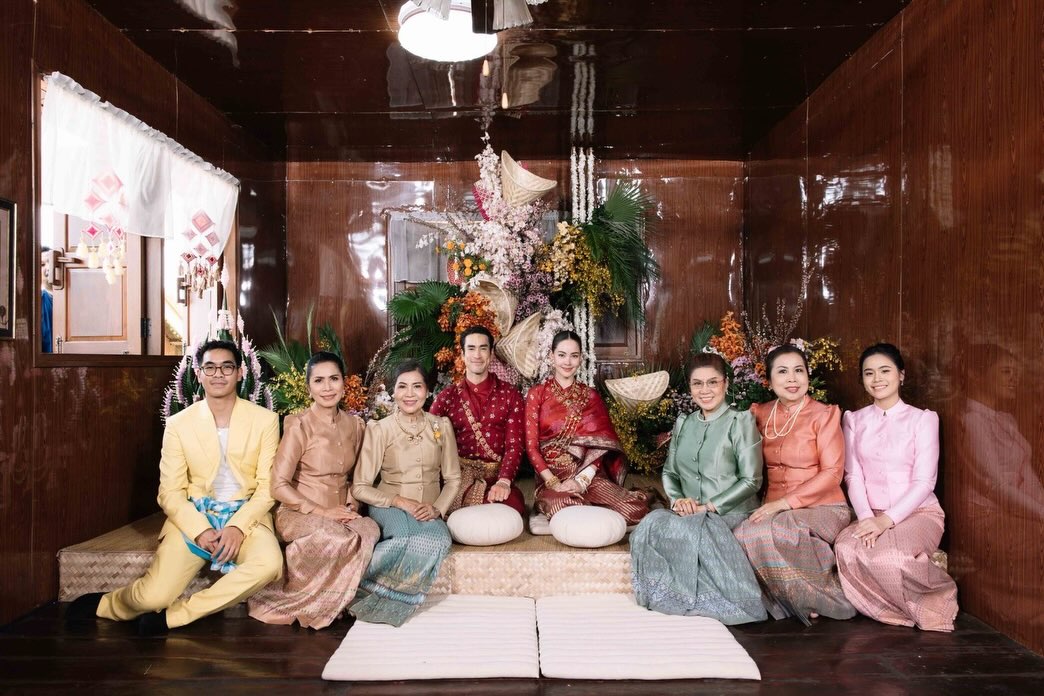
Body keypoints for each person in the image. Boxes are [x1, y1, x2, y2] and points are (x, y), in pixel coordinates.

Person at [66, 339, 282, 635]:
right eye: (210, 367)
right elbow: (169, 492)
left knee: (269, 564)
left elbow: (267, 487)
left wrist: (237, 526)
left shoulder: (265, 420)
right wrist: (200, 530)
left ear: (240, 373)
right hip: (195, 515)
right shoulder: (179, 424)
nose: (218, 374)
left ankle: (176, 616)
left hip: (245, 516)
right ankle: (108, 604)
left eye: (227, 367)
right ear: (199, 374)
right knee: (152, 598)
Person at [630, 353, 767, 624]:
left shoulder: (740, 421)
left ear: (726, 384)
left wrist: (708, 507)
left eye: (712, 382)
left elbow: (752, 480)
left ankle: (712, 600)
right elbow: (670, 472)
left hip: (729, 511)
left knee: (695, 530)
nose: (705, 390)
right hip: (690, 510)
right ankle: (670, 594)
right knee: (650, 525)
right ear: (690, 388)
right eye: (697, 384)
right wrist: (678, 500)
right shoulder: (685, 423)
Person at [248, 352, 380, 629]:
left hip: (340, 510)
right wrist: (323, 512)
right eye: (319, 381)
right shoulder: (299, 426)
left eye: (334, 379)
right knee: (335, 535)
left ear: (344, 383)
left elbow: (356, 477)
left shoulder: (355, 425)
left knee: (369, 530)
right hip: (298, 511)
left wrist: (351, 505)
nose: (327, 387)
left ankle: (337, 600)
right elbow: (278, 485)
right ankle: (315, 604)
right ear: (309, 388)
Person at [835, 343, 959, 631]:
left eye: (885, 371)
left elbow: (925, 482)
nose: (877, 379)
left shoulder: (922, 419)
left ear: (901, 375)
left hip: (919, 513)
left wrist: (886, 521)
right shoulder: (853, 420)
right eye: (869, 373)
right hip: (871, 513)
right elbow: (853, 476)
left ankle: (933, 603)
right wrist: (866, 518)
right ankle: (884, 609)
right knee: (846, 548)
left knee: (889, 557)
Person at [735, 344, 856, 624]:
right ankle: (789, 598)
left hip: (824, 507)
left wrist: (783, 504)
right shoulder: (759, 413)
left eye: (799, 371)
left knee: (780, 528)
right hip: (773, 508)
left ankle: (820, 595)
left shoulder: (824, 415)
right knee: (744, 533)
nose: (792, 379)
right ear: (769, 380)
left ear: (807, 376)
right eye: (782, 372)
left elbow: (832, 473)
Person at [350, 360, 461, 626]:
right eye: (402, 386)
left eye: (417, 386)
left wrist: (437, 508)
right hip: (389, 505)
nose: (409, 394)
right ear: (393, 391)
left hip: (427, 508)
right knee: (404, 536)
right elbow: (360, 487)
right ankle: (361, 590)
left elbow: (453, 478)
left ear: (427, 391)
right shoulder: (380, 429)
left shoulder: (440, 426)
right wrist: (399, 501)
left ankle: (397, 598)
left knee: (439, 539)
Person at [525, 330, 651, 525]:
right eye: (561, 355)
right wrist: (554, 483)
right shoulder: (537, 394)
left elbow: (600, 447)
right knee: (563, 504)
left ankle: (595, 506)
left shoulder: (590, 396)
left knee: (635, 509)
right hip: (551, 479)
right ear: (551, 356)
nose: (567, 362)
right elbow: (531, 448)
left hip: (586, 476)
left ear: (581, 358)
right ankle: (594, 511)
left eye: (574, 356)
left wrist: (581, 481)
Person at [430, 326, 526, 517]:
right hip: (457, 478)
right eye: (471, 348)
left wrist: (504, 481)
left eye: (483, 348)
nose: (477, 355)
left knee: (514, 505)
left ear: (491, 354)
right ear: (463, 355)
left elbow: (515, 445)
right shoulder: (447, 397)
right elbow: (431, 438)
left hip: (495, 480)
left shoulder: (510, 395)